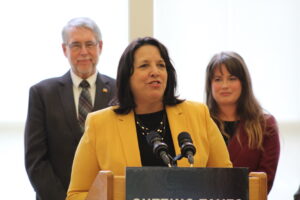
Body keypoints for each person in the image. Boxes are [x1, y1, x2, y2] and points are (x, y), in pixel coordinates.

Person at [66, 37, 232, 200]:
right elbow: (77, 194)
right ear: (127, 76)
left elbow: (228, 183)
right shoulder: (100, 124)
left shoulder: (198, 114)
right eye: (144, 65)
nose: (155, 71)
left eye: (161, 65)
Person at [24, 17, 116, 200]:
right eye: (75, 45)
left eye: (89, 44)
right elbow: (35, 160)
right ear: (64, 49)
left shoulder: (119, 91)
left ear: (101, 47)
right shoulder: (42, 93)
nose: (83, 52)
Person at [204, 51, 280, 193]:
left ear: (244, 83)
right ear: (210, 85)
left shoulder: (266, 125)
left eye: (232, 78)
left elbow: (264, 183)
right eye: (218, 79)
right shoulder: (200, 123)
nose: (225, 85)